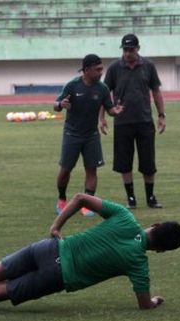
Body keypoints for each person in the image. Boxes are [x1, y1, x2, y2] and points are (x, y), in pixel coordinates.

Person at [0, 193, 180, 311]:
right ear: (160, 250)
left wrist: (56, 225)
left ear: (155, 224)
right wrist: (154, 302)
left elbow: (79, 197)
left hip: (50, 247)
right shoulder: (139, 264)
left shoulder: (125, 217)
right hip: (58, 276)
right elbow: (144, 304)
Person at [100, 33, 167, 209]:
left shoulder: (148, 66)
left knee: (148, 161)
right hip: (122, 121)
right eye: (125, 50)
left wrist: (161, 115)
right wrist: (102, 117)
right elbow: (105, 94)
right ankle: (131, 198)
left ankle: (150, 197)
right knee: (124, 161)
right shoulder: (114, 68)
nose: (128, 53)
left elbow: (156, 91)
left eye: (131, 49)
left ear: (138, 49)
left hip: (145, 120)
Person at [53, 54, 124, 217]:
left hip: (91, 135)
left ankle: (88, 203)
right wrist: (60, 104)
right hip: (72, 134)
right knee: (65, 170)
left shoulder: (102, 88)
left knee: (91, 170)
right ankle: (62, 198)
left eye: (102, 69)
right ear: (86, 70)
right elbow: (56, 105)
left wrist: (116, 112)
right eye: (97, 69)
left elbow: (110, 109)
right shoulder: (72, 86)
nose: (101, 72)